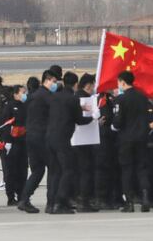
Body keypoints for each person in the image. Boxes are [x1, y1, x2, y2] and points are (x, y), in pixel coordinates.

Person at [46, 72, 95, 214]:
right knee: (68, 170)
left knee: (55, 171)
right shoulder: (72, 99)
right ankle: (60, 202)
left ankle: (51, 203)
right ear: (75, 84)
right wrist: (93, 117)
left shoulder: (54, 97)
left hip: (50, 137)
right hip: (62, 139)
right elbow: (79, 120)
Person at [112, 71, 153, 212]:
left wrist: (114, 125)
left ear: (123, 82)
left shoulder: (121, 99)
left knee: (127, 170)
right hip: (142, 137)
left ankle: (129, 202)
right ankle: (145, 198)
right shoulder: (142, 97)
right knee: (142, 168)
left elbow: (118, 121)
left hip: (126, 139)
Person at [19, 70, 58, 214]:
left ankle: (24, 199)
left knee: (37, 170)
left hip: (30, 137)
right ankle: (51, 203)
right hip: (43, 137)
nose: (55, 84)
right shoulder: (48, 97)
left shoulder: (32, 96)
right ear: (46, 80)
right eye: (53, 81)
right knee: (53, 169)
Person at [72, 73, 99, 212]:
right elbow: (81, 120)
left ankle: (80, 198)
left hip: (79, 141)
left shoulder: (76, 96)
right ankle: (84, 200)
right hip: (84, 140)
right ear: (88, 85)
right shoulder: (84, 99)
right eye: (92, 84)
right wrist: (94, 118)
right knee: (85, 171)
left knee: (80, 170)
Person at [0, 85, 28, 206]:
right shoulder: (10, 106)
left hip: (23, 141)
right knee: (11, 171)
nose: (25, 94)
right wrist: (7, 141)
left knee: (23, 169)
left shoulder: (26, 106)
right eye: (22, 92)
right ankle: (11, 197)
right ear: (15, 94)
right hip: (12, 143)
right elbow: (5, 125)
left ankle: (21, 194)